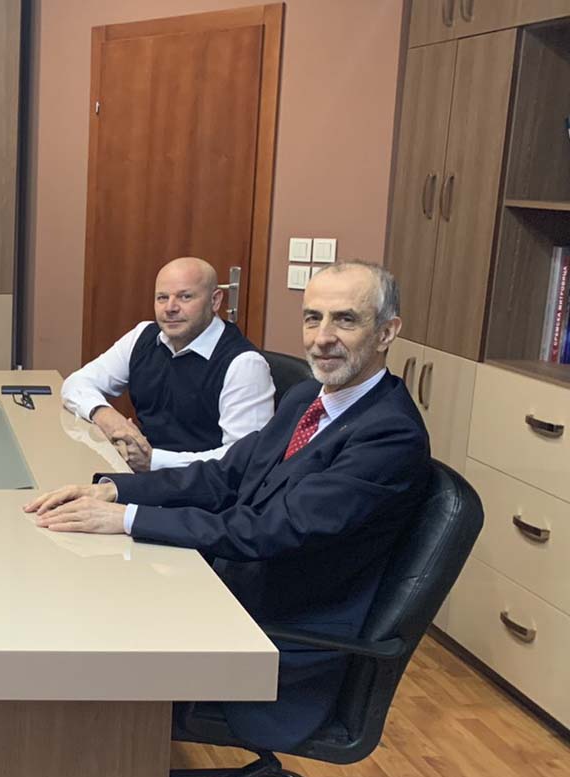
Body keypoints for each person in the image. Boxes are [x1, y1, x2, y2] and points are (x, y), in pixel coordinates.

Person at [26, 260, 429, 751]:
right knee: (72, 596)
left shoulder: (389, 434)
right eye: (312, 318)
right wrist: (114, 491)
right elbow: (225, 475)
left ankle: (101, 775)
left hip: (279, 638)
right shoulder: (308, 398)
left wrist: (127, 519)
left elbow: (268, 529)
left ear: (387, 332)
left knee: (88, 637)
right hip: (233, 591)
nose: (322, 338)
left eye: (345, 320)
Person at [61, 257, 274, 471]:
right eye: (162, 298)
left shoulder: (245, 365)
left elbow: (243, 459)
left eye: (185, 296)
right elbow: (76, 383)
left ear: (215, 300)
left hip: (202, 486)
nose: (170, 308)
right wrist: (106, 416)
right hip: (142, 475)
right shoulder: (143, 336)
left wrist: (153, 461)